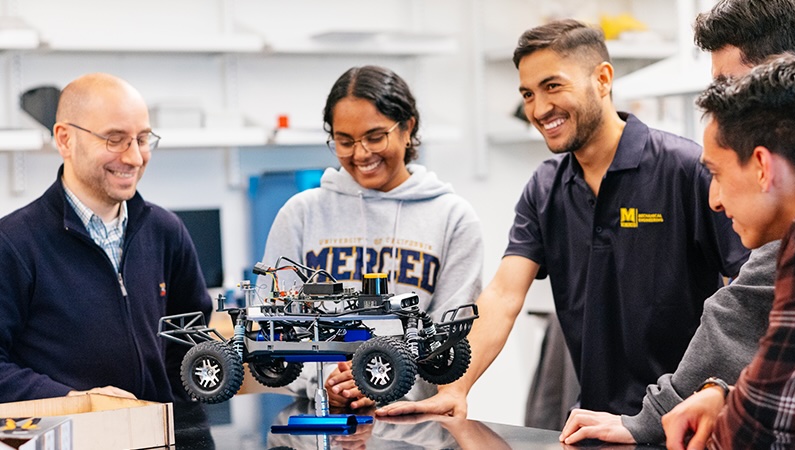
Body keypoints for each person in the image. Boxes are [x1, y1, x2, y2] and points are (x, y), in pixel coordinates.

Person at [377, 19, 748, 419]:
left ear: (602, 79)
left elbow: (744, 295)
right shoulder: (545, 188)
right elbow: (503, 295)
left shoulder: (685, 169)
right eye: (527, 94)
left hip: (684, 420)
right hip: (593, 423)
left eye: (553, 86)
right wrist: (456, 388)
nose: (538, 109)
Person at [557, 0, 795, 445]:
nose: (715, 199)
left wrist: (667, 411)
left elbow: (766, 417)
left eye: (730, 86)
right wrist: (722, 392)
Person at [661, 54, 795, 449]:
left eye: (717, 174)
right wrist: (724, 396)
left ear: (761, 166)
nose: (714, 200)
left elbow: (766, 428)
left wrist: (725, 421)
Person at [0, 73, 213, 441]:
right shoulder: (13, 244)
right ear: (65, 139)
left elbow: (190, 346)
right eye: (115, 140)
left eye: (143, 139)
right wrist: (79, 403)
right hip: (63, 441)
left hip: (155, 438)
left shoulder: (167, 232)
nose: (133, 157)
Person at [261, 65, 483, 409]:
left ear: (408, 127)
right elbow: (276, 322)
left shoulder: (453, 217)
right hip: (325, 417)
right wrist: (322, 381)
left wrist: (384, 379)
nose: (361, 154)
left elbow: (450, 336)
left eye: (375, 137)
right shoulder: (301, 213)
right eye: (344, 141)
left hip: (415, 422)